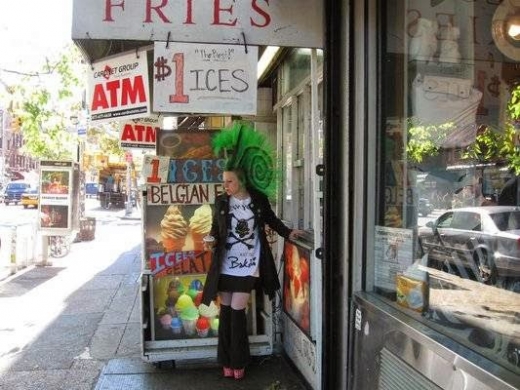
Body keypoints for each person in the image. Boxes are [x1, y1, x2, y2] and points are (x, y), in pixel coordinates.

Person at [201, 123, 302, 381]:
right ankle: (226, 361)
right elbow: (215, 228)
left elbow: (270, 219)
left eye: (230, 181)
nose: (225, 186)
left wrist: (287, 233)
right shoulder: (222, 201)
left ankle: (239, 361)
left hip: (249, 264)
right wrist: (210, 237)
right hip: (225, 265)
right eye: (224, 181)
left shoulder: (257, 199)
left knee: (237, 311)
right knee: (226, 313)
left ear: (241, 179)